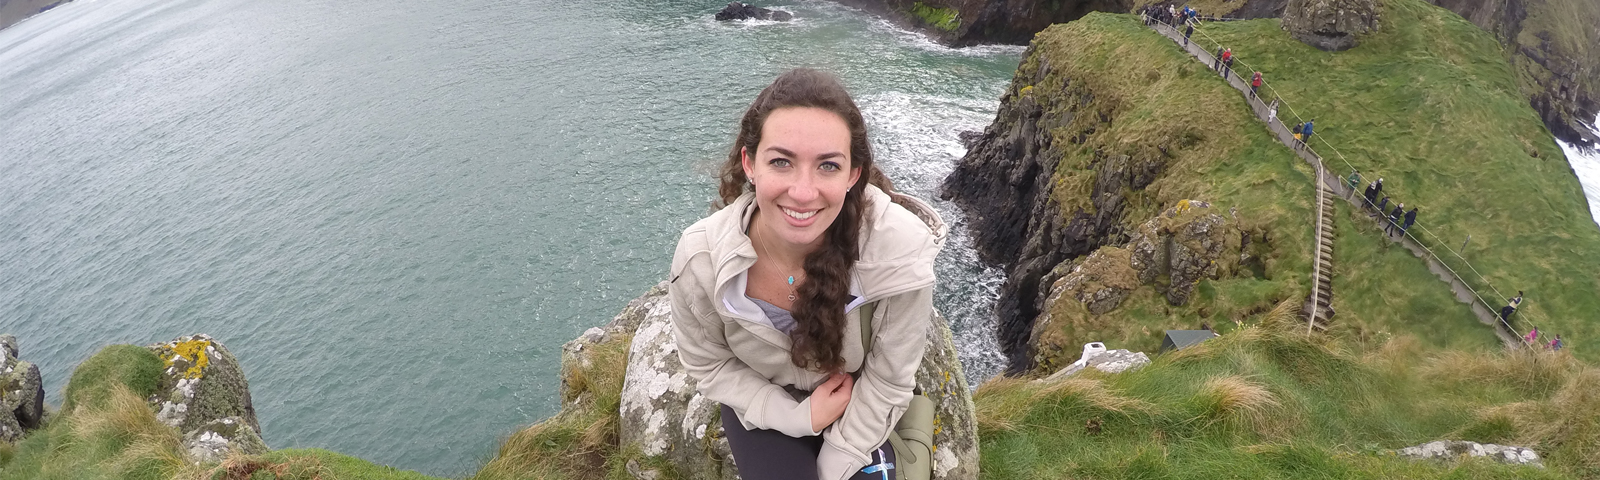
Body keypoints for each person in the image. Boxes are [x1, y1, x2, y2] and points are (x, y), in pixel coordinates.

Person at [669, 68, 945, 480]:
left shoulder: (897, 252)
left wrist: (835, 463)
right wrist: (798, 417)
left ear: (854, 174)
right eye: (781, 161)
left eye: (828, 166)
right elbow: (710, 366)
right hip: (765, 401)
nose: (802, 191)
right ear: (750, 163)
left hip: (859, 400)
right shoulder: (702, 259)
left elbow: (888, 381)